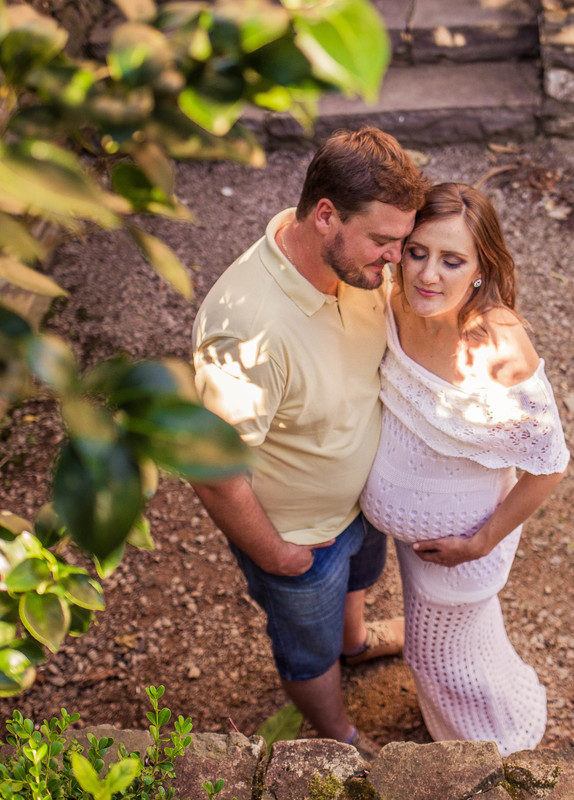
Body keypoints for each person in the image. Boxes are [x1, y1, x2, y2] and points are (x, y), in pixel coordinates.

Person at [191, 127, 429, 756]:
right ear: (326, 216)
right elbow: (211, 470)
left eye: (401, 242)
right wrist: (275, 554)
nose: (395, 261)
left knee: (358, 586)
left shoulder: (356, 267)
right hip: (300, 539)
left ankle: (355, 643)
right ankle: (337, 735)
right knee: (306, 650)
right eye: (384, 241)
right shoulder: (246, 331)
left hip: (359, 506)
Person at [360, 182, 570, 756]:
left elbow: (549, 467)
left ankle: (496, 747)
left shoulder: (500, 349)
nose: (429, 274)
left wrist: (478, 543)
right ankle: (465, 731)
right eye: (418, 252)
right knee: (458, 648)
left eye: (452, 261)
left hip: (460, 548)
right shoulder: (396, 300)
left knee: (436, 656)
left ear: (480, 269)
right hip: (416, 540)